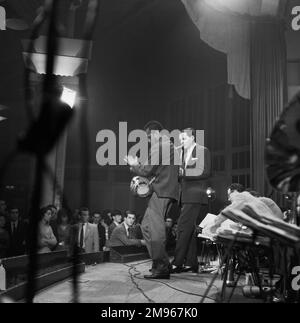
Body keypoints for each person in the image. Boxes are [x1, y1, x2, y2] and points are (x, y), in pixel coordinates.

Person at [124, 120, 179, 279]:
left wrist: (134, 164)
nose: (148, 140)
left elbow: (147, 170)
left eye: (148, 137)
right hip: (164, 191)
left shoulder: (161, 145)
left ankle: (161, 266)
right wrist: (137, 165)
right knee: (147, 226)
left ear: (155, 133)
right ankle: (160, 262)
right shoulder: (167, 146)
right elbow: (154, 169)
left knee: (155, 230)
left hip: (162, 192)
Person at [171, 128, 211, 273]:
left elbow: (205, 171)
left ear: (193, 137)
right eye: (180, 139)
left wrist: (184, 173)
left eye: (184, 139)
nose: (181, 142)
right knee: (188, 229)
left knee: (182, 226)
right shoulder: (180, 153)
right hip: (184, 196)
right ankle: (191, 262)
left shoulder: (202, 150)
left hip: (195, 195)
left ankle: (177, 262)